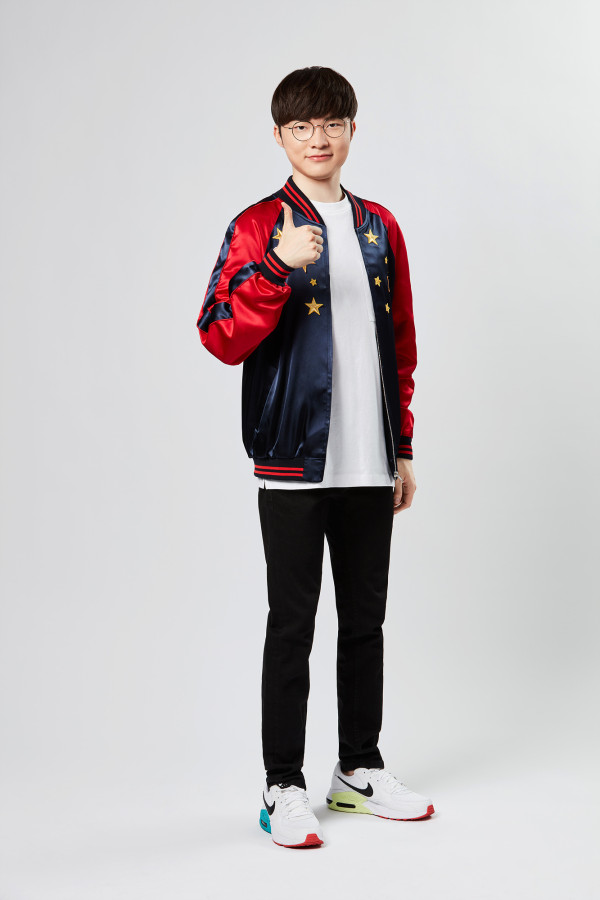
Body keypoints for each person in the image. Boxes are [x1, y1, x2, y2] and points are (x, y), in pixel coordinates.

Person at [196, 66, 435, 849]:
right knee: (292, 624)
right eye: (302, 127)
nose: (318, 138)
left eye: (331, 123)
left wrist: (401, 447)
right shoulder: (258, 226)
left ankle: (358, 769)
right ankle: (282, 785)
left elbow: (400, 345)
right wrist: (276, 267)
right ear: (280, 137)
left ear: (352, 129)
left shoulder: (380, 227)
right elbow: (219, 334)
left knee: (365, 621)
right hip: (292, 461)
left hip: (369, 462)